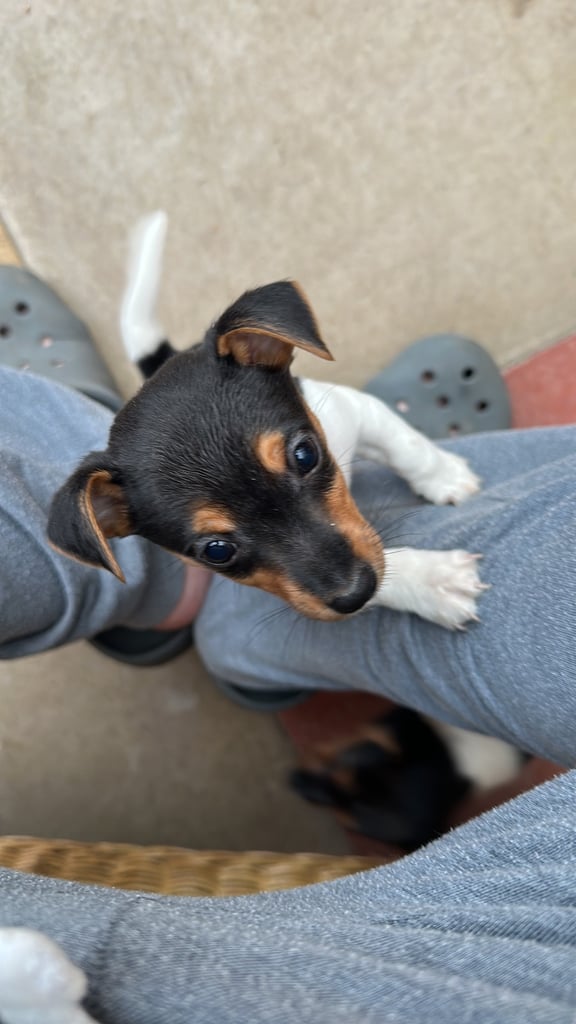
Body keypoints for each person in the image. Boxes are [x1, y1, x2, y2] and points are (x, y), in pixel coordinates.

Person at [0, 268, 575, 1022]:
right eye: (220, 548)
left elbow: (353, 422)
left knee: (355, 519)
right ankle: (126, 532)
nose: (339, 582)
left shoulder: (274, 383)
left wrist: (423, 463)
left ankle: (182, 602)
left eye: (302, 460)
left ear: (273, 349)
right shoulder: (122, 496)